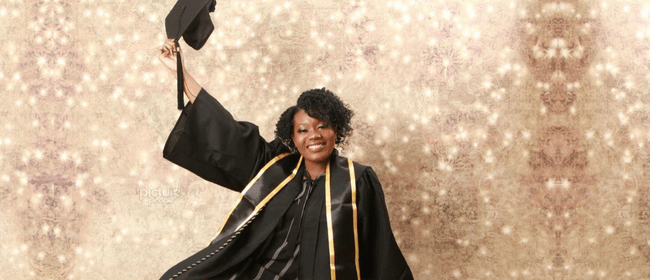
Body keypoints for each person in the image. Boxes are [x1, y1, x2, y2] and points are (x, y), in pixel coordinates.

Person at [157, 39, 413, 280]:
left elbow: (380, 250)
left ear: (337, 130)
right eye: (303, 129)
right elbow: (224, 129)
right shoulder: (275, 168)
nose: (314, 135)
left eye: (323, 126)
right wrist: (179, 71)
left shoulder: (357, 181)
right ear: (292, 136)